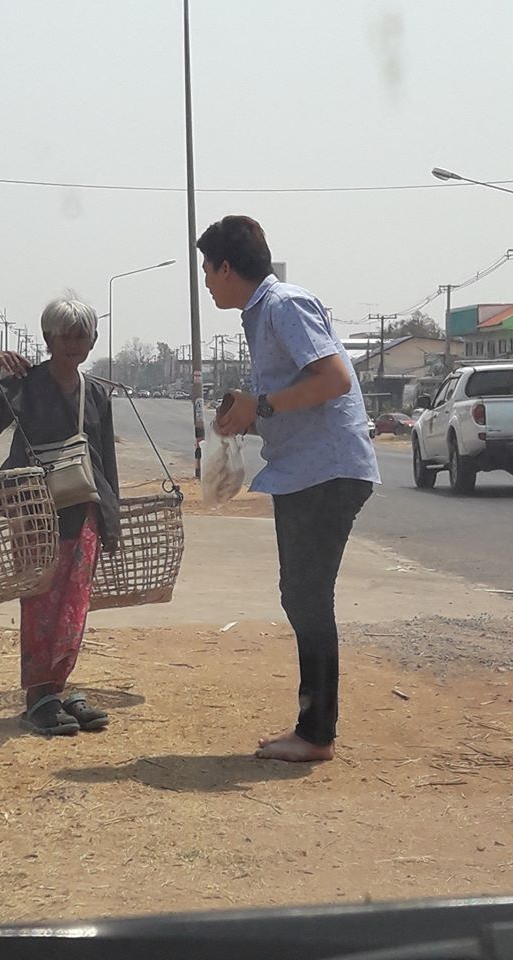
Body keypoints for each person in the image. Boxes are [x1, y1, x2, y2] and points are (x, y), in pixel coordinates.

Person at [197, 216, 380, 763]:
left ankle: (316, 732)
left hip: (326, 470)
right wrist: (248, 415)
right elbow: (300, 394)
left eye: (206, 270)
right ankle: (314, 726)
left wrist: (262, 405)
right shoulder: (261, 314)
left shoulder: (283, 304)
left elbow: (334, 379)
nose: (205, 282)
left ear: (226, 268)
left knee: (306, 595)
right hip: (309, 470)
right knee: (303, 594)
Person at [0, 298, 121, 737]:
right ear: (47, 338)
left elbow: (105, 461)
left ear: (93, 340)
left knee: (74, 604)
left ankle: (57, 687)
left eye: (81, 335)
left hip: (84, 511)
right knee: (40, 601)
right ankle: (38, 697)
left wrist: (110, 519)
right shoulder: (24, 384)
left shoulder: (97, 394)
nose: (73, 343)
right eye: (64, 335)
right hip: (34, 512)